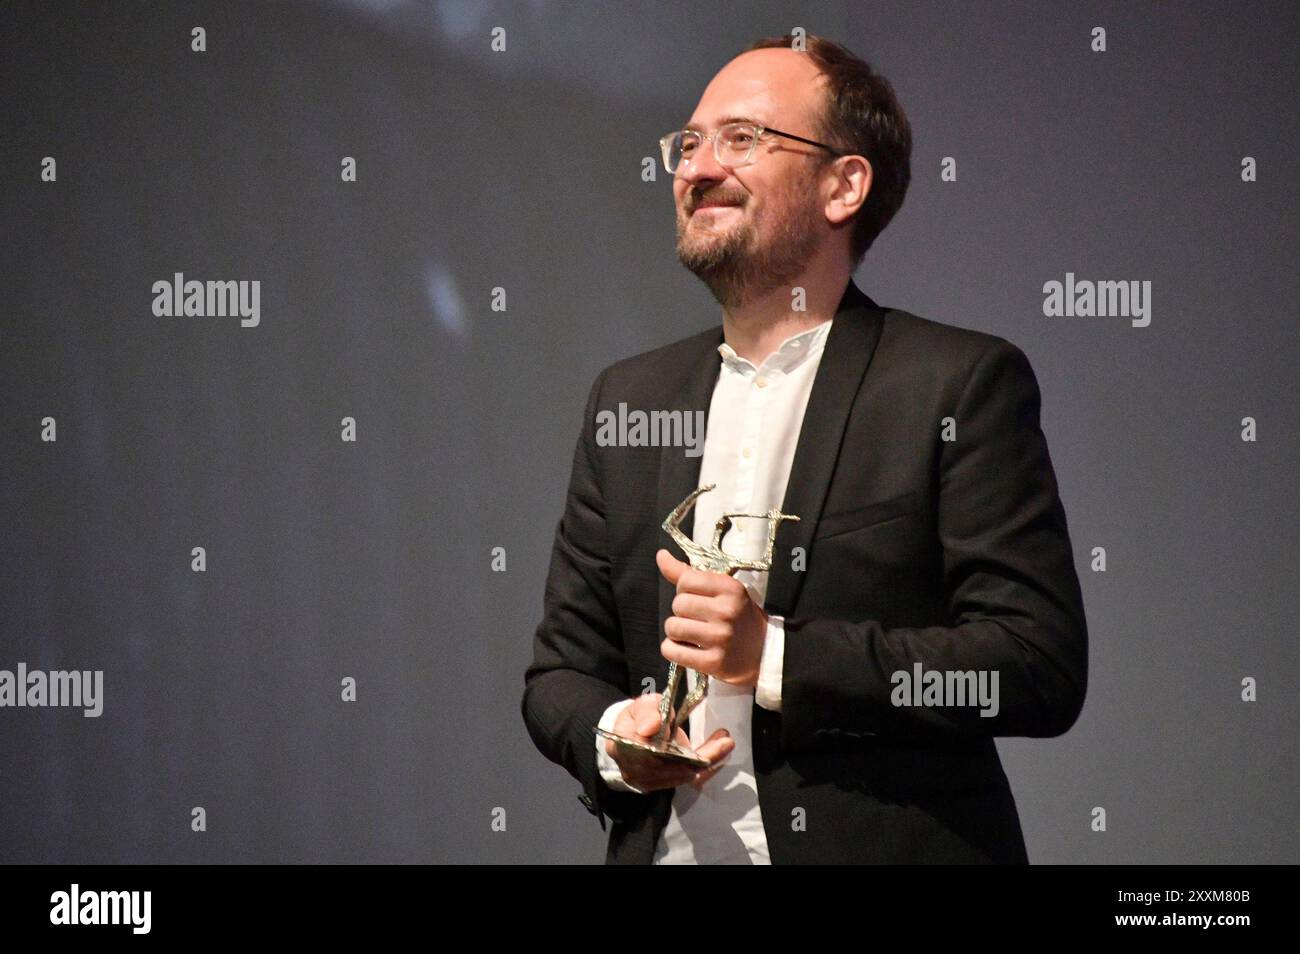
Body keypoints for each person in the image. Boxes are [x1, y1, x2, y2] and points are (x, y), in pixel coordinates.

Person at [521, 33, 1087, 864]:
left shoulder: (955, 385)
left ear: (843, 185)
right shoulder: (629, 399)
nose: (697, 168)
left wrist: (777, 656)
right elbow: (561, 674)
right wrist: (615, 735)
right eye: (688, 143)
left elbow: (1034, 664)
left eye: (741, 139)